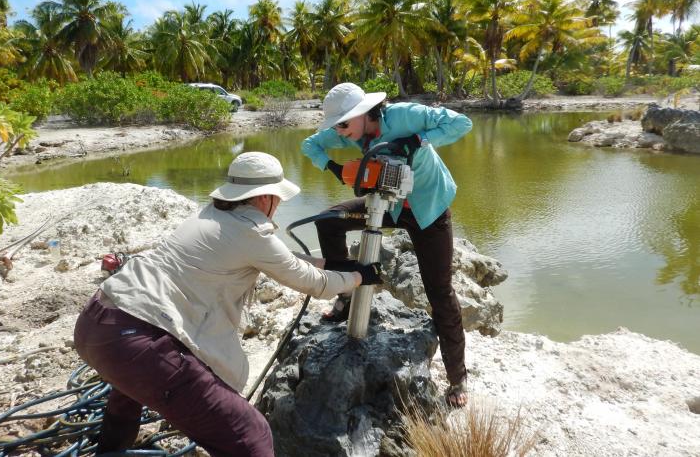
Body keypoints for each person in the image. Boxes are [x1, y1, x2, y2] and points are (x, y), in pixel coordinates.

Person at [73, 151, 381, 456]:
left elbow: (280, 259)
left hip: (97, 325)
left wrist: (333, 263)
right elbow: (316, 284)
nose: (277, 206)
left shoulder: (208, 215)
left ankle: (109, 450)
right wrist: (359, 276)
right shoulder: (252, 233)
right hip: (138, 343)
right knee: (251, 434)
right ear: (264, 198)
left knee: (126, 396)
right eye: (277, 198)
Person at [301, 82, 473, 408]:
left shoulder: (404, 116)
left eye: (344, 123)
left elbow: (460, 123)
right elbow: (311, 146)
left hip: (428, 210)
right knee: (328, 221)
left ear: (365, 114)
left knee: (439, 291)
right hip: (387, 204)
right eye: (336, 125)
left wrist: (417, 140)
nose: (340, 132)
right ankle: (347, 296)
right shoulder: (346, 133)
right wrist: (336, 168)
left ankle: (457, 376)